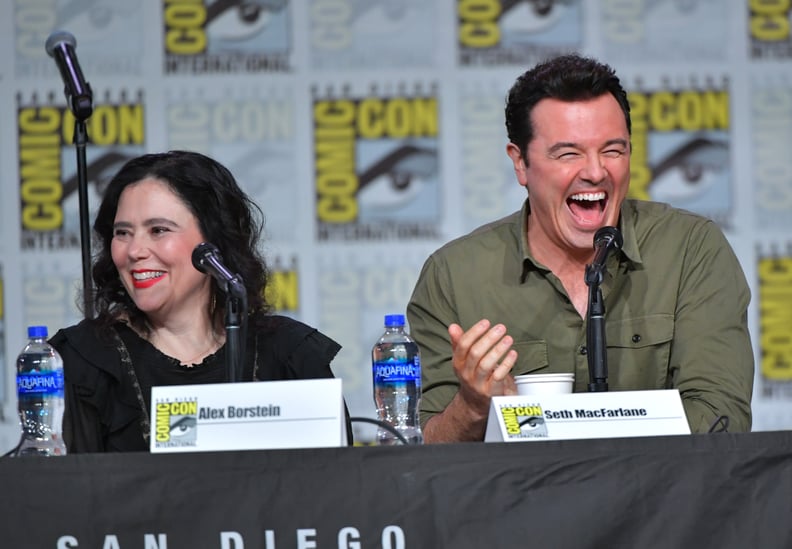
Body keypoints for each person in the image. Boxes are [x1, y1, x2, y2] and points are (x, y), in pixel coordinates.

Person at [407, 54, 754, 443]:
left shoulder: (692, 249)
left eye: (613, 150)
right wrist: (473, 407)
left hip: (660, 500)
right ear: (520, 163)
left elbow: (721, 418)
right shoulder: (453, 276)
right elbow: (427, 453)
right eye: (568, 153)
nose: (595, 171)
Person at [51, 150, 348, 452]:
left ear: (214, 241)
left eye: (159, 230)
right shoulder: (82, 361)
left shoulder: (289, 354)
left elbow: (336, 486)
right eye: (122, 232)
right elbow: (68, 491)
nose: (134, 250)